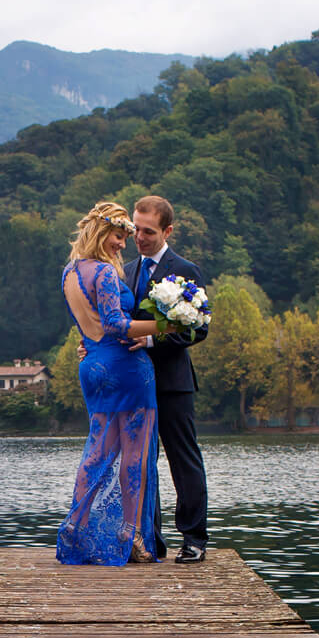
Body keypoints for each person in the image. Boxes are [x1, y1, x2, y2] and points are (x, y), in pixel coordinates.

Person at [55, 202, 162, 566]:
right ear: (102, 232)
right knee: (135, 454)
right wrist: (166, 327)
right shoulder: (102, 272)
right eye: (119, 236)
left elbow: (90, 325)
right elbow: (116, 324)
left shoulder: (69, 272)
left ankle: (76, 524)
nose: (122, 244)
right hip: (126, 368)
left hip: (93, 367)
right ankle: (129, 534)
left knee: (98, 450)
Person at [126, 196, 208, 563]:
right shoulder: (125, 270)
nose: (139, 238)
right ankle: (151, 539)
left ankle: (193, 539)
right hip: (134, 383)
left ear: (167, 231)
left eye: (148, 231)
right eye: (135, 229)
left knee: (183, 460)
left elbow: (198, 330)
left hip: (173, 382)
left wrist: (152, 338)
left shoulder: (186, 270)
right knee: (143, 462)